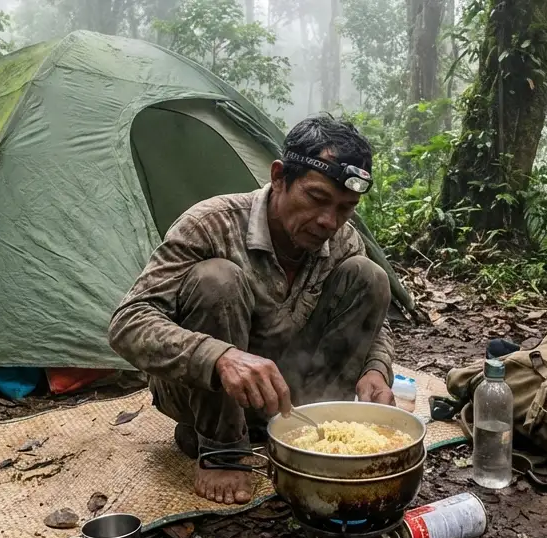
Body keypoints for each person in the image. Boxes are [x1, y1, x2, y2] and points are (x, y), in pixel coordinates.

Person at [108, 115, 395, 505]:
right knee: (217, 280)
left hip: (289, 392)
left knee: (369, 276)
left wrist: (375, 370)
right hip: (201, 390)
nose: (329, 221)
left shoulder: (343, 240)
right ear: (279, 177)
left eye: (346, 207)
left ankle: (314, 432)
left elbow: (375, 326)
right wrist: (219, 357)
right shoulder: (211, 224)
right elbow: (128, 322)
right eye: (316, 198)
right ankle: (222, 447)